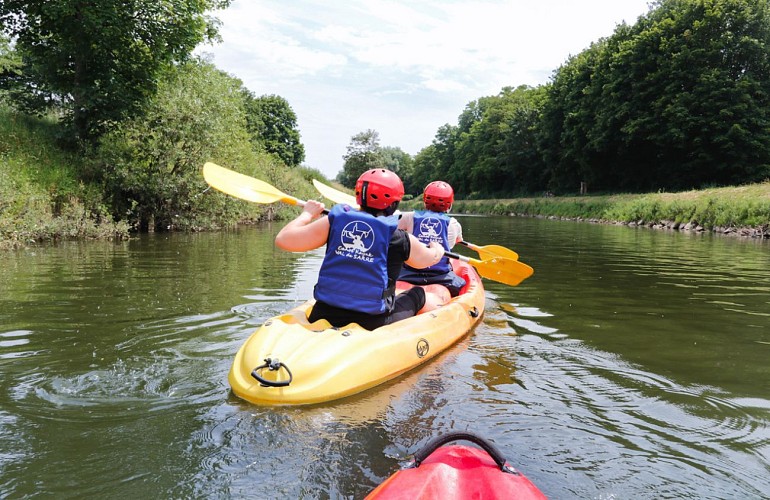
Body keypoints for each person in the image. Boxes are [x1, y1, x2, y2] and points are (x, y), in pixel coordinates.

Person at [275, 168, 445, 330]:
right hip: (373, 322)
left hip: (322, 314)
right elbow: (428, 260)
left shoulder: (333, 223)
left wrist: (307, 214)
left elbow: (284, 240)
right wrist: (437, 249)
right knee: (417, 294)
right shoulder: (399, 237)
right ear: (394, 203)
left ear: (358, 197)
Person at [397, 181, 467, 297]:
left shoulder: (409, 216)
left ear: (425, 201)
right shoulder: (454, 223)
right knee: (460, 284)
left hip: (408, 273)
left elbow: (393, 231)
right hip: (440, 276)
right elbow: (455, 242)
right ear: (449, 204)